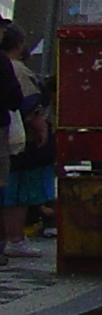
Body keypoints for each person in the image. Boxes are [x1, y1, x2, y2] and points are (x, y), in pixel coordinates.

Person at [1, 28, 46, 258]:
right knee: (14, 190)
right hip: (13, 137)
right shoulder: (12, 67)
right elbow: (21, 101)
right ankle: (14, 239)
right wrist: (39, 125)